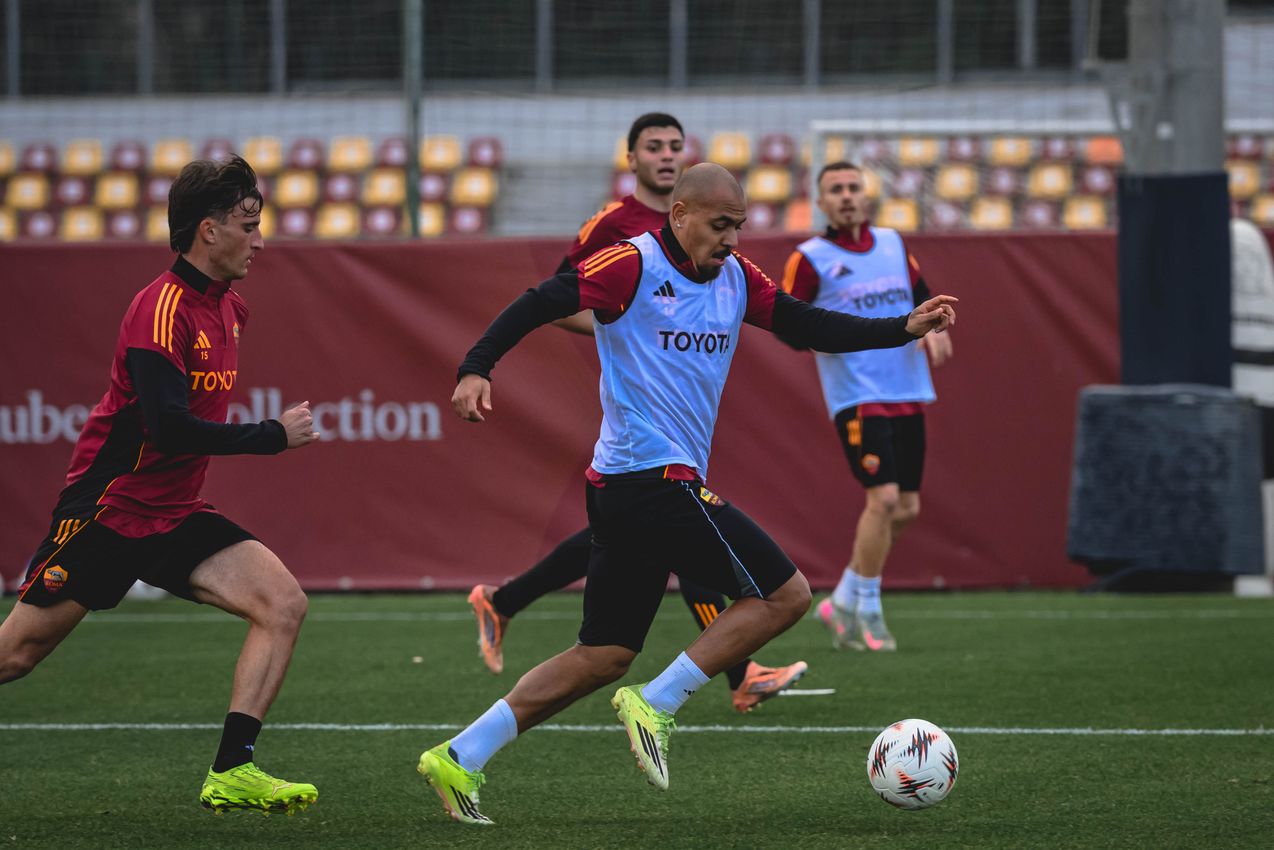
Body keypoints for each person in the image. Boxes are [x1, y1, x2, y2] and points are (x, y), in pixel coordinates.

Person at [419, 163, 957, 825]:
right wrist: (476, 366)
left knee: (603, 655)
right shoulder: (631, 265)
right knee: (785, 595)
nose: (732, 238)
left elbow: (805, 326)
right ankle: (659, 701)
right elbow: (540, 301)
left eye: (739, 225)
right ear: (680, 215)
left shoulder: (737, 278)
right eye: (719, 224)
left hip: (629, 489)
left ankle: (459, 756)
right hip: (651, 479)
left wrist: (902, 328)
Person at [0, 156, 321, 815]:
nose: (260, 240)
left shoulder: (231, 310)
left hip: (171, 514)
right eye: (249, 225)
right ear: (208, 230)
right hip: (109, 511)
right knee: (16, 657)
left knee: (282, 603)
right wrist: (271, 436)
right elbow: (169, 429)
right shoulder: (159, 308)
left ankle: (232, 770)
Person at [468, 112, 808, 713]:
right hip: (639, 414)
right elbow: (557, 294)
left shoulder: (715, 241)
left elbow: (799, 319)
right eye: (654, 146)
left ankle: (506, 610)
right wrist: (618, 325)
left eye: (676, 145)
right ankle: (721, 678)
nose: (667, 154)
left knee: (635, 556)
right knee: (682, 524)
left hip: (664, 440)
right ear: (632, 159)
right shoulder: (620, 231)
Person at [786, 162, 954, 652]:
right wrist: (818, 341)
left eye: (853, 187)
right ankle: (870, 612)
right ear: (821, 202)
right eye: (834, 189)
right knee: (881, 500)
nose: (845, 195)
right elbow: (787, 321)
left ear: (866, 195)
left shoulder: (893, 244)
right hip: (858, 394)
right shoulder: (810, 257)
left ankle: (840, 598)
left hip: (907, 389)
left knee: (906, 508)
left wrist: (939, 328)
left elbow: (923, 302)